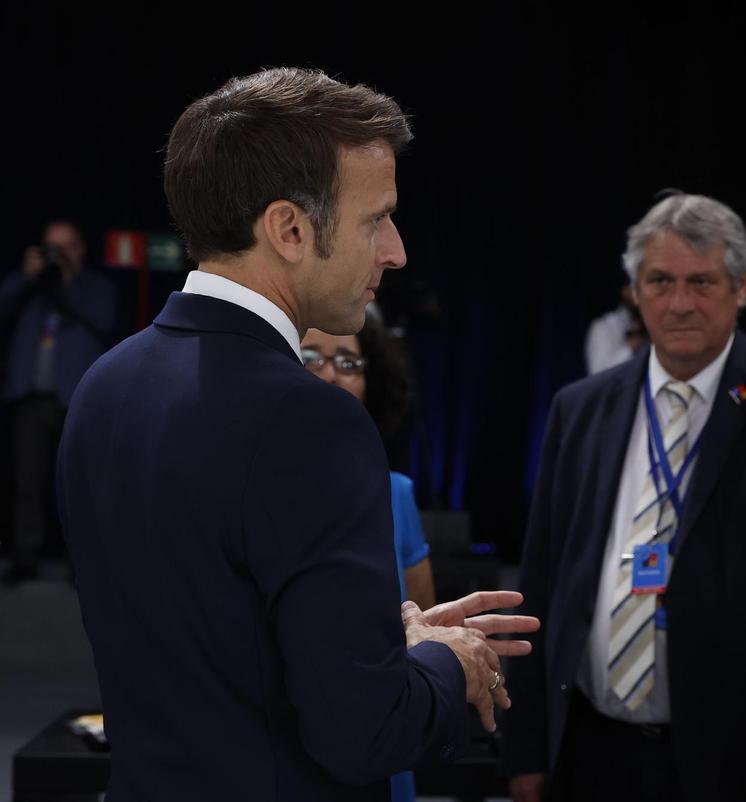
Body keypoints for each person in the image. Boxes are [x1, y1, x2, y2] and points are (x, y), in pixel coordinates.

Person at [56, 67, 536, 801]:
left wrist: (379, 643)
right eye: (376, 219)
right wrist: (452, 660)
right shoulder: (310, 419)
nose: (397, 250)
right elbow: (364, 733)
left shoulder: (104, 386)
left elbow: (218, 650)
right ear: (288, 229)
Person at [503, 193, 746, 802]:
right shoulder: (580, 407)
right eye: (661, 281)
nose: (679, 304)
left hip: (729, 763)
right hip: (586, 749)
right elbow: (542, 579)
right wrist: (526, 749)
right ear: (634, 290)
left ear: (741, 287)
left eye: (701, 282)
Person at [301, 318, 433, 802]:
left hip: (379, 737)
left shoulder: (396, 495)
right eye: (310, 357)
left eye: (349, 363)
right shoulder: (249, 487)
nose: (331, 374)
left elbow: (424, 630)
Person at [0, 220, 116, 583]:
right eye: (51, 247)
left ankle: (79, 560)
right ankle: (25, 556)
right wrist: (26, 276)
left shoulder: (96, 288)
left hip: (76, 398)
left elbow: (104, 321)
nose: (56, 254)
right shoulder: (29, 288)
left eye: (63, 247)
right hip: (30, 397)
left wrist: (65, 278)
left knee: (76, 483)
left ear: (80, 249)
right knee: (27, 483)